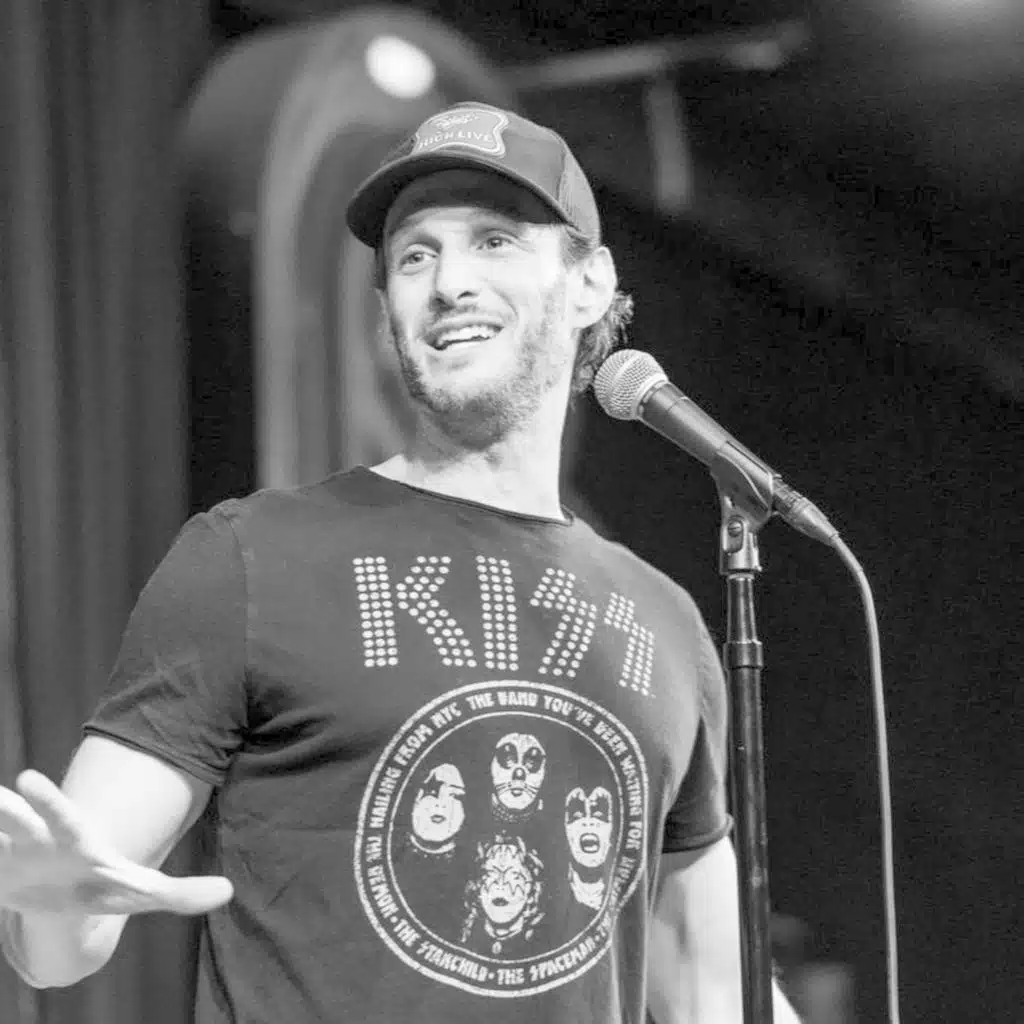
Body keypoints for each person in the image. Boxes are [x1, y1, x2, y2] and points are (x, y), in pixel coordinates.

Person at [0, 102, 800, 1023]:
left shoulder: (665, 621)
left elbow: (710, 989)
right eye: (416, 256)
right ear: (387, 309)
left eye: (494, 241)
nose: (450, 281)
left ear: (589, 283)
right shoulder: (250, 559)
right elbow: (57, 936)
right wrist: (51, 906)